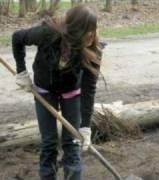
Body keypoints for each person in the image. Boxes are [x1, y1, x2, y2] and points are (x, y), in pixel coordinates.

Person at [12, 5, 102, 180]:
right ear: (76, 29)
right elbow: (17, 38)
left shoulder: (93, 49)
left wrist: (85, 126)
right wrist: (21, 71)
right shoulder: (46, 33)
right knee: (49, 143)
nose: (92, 35)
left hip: (72, 92)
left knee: (72, 142)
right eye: (88, 31)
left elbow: (89, 89)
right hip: (45, 91)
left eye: (94, 29)